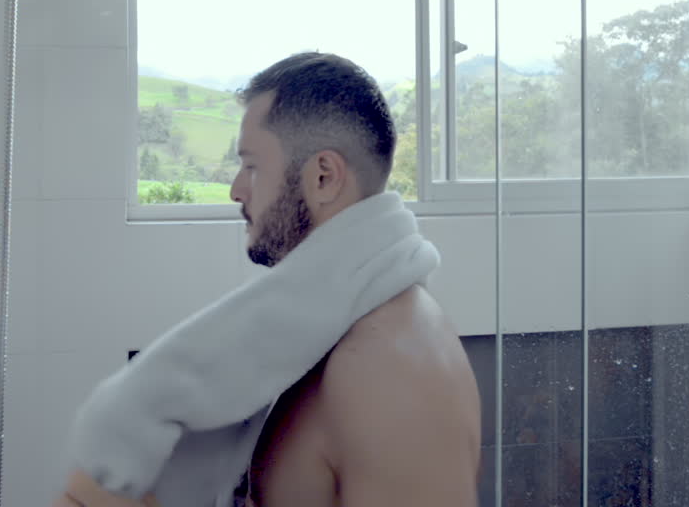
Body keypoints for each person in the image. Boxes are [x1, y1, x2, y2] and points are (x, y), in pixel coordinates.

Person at [56, 53, 482, 507]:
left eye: (253, 166)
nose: (237, 189)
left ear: (322, 177)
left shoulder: (392, 368)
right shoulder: (324, 334)